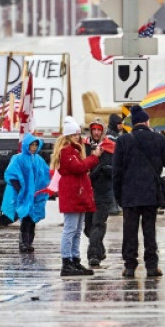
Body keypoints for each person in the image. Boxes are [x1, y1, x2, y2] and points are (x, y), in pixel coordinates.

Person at [112, 105, 165, 278]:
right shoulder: (158, 139)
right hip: (151, 193)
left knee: (130, 231)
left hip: (129, 194)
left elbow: (116, 172)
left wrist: (118, 196)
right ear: (146, 122)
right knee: (149, 230)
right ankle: (152, 266)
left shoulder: (123, 141)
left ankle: (130, 266)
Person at [54, 117, 99, 276]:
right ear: (67, 136)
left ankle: (75, 259)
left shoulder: (74, 151)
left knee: (77, 229)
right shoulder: (66, 152)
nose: (77, 138)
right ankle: (66, 261)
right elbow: (79, 167)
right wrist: (94, 157)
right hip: (73, 194)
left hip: (78, 194)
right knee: (70, 229)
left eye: (78, 135)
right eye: (74, 135)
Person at [1, 133, 51, 254]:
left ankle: (29, 242)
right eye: (31, 145)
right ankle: (24, 242)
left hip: (35, 195)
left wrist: (43, 190)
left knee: (32, 219)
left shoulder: (38, 160)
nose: (33, 147)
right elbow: (12, 175)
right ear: (26, 145)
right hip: (24, 195)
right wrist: (20, 192)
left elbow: (45, 175)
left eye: (35, 145)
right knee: (26, 218)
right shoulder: (18, 158)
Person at [85, 120, 116, 267]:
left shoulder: (110, 147)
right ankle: (99, 247)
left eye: (99, 130)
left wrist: (102, 168)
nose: (96, 132)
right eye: (94, 130)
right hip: (87, 191)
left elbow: (114, 169)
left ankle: (93, 255)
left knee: (98, 223)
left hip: (104, 192)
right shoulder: (85, 146)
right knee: (88, 227)